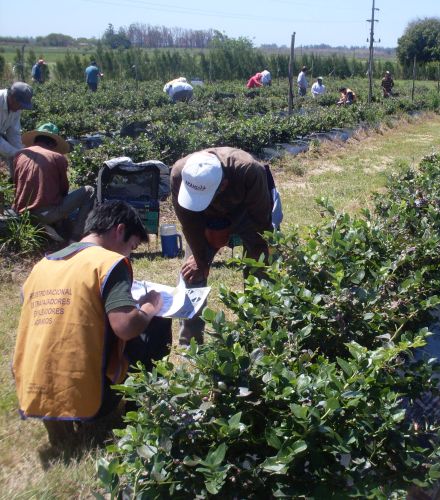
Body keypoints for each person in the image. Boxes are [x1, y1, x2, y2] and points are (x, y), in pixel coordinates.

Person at [12, 200, 166, 447]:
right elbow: (126, 326)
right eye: (132, 246)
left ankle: (56, 417)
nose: (128, 254)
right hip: (90, 398)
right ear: (119, 230)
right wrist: (149, 307)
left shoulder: (44, 264)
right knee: (156, 324)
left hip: (33, 392)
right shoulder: (109, 262)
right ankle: (136, 414)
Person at [171, 148, 275, 345]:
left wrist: (260, 257)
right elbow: (189, 223)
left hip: (248, 212)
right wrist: (200, 259)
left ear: (224, 185)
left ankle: (260, 335)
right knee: (191, 273)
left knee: (261, 270)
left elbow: (262, 226)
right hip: (204, 218)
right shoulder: (179, 173)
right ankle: (190, 344)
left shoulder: (249, 172)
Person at [13, 123, 95, 242]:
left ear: (36, 139)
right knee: (89, 191)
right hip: (45, 214)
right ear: (52, 143)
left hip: (22, 213)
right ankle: (75, 238)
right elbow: (63, 190)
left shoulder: (19, 154)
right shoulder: (57, 157)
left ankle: (51, 224)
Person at [0, 82, 33, 172]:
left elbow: (13, 133)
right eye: (21, 105)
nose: (21, 108)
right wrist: (16, 152)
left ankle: (16, 180)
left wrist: (21, 152)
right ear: (12, 98)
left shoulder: (16, 108)